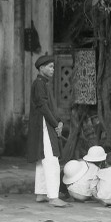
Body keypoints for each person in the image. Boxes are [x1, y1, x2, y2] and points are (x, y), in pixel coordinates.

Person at [26, 54, 68, 207]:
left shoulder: (43, 83)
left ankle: (41, 193)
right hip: (43, 125)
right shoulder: (39, 84)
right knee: (51, 161)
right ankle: (53, 196)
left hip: (44, 124)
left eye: (53, 66)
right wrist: (56, 123)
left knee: (42, 160)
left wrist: (58, 121)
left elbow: (49, 106)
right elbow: (43, 107)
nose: (53, 69)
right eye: (50, 67)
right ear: (41, 68)